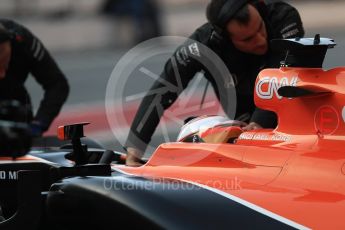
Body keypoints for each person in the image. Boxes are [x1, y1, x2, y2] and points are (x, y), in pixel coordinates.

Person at [125, 0, 304, 166]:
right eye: (248, 39)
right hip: (244, 120)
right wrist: (134, 150)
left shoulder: (283, 17)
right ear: (223, 39)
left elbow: (285, 74)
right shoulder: (203, 46)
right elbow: (163, 90)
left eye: (260, 28)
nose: (261, 40)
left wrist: (259, 123)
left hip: (295, 111)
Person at [0, 19, 69, 136]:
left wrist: (39, 124)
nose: (1, 74)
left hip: (15, 108)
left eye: (3, 65)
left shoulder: (23, 41)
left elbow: (58, 84)